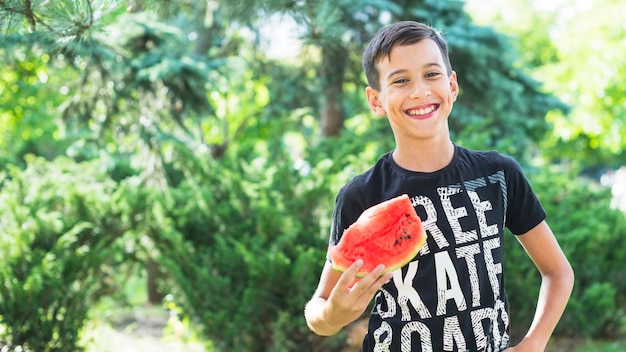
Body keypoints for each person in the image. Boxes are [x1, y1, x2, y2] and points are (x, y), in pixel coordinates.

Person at [304, 21, 574, 352]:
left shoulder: (499, 175)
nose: (419, 91)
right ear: (376, 101)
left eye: (431, 74)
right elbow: (318, 309)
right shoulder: (362, 195)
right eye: (401, 80)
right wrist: (334, 314)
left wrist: (533, 344)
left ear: (452, 85)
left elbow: (558, 272)